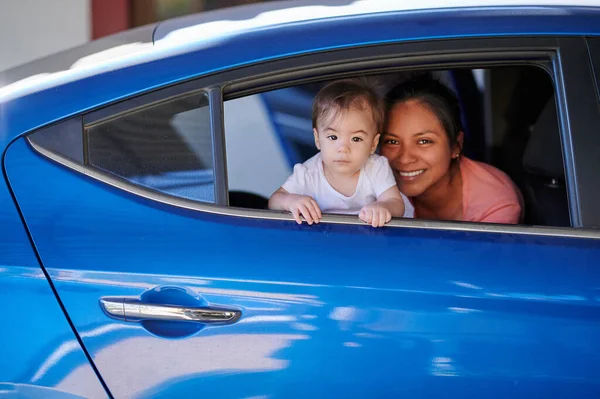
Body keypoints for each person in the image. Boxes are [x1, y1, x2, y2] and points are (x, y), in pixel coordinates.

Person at [268, 78, 413, 227]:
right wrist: (291, 201)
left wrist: (383, 207)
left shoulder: (376, 167)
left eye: (356, 139)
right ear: (317, 139)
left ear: (373, 144)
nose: (343, 148)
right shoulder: (308, 173)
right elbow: (275, 200)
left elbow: (395, 203)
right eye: (333, 137)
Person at [380, 73, 523, 224]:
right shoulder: (375, 179)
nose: (405, 158)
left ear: (456, 145)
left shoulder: (495, 205)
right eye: (391, 141)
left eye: (424, 141)